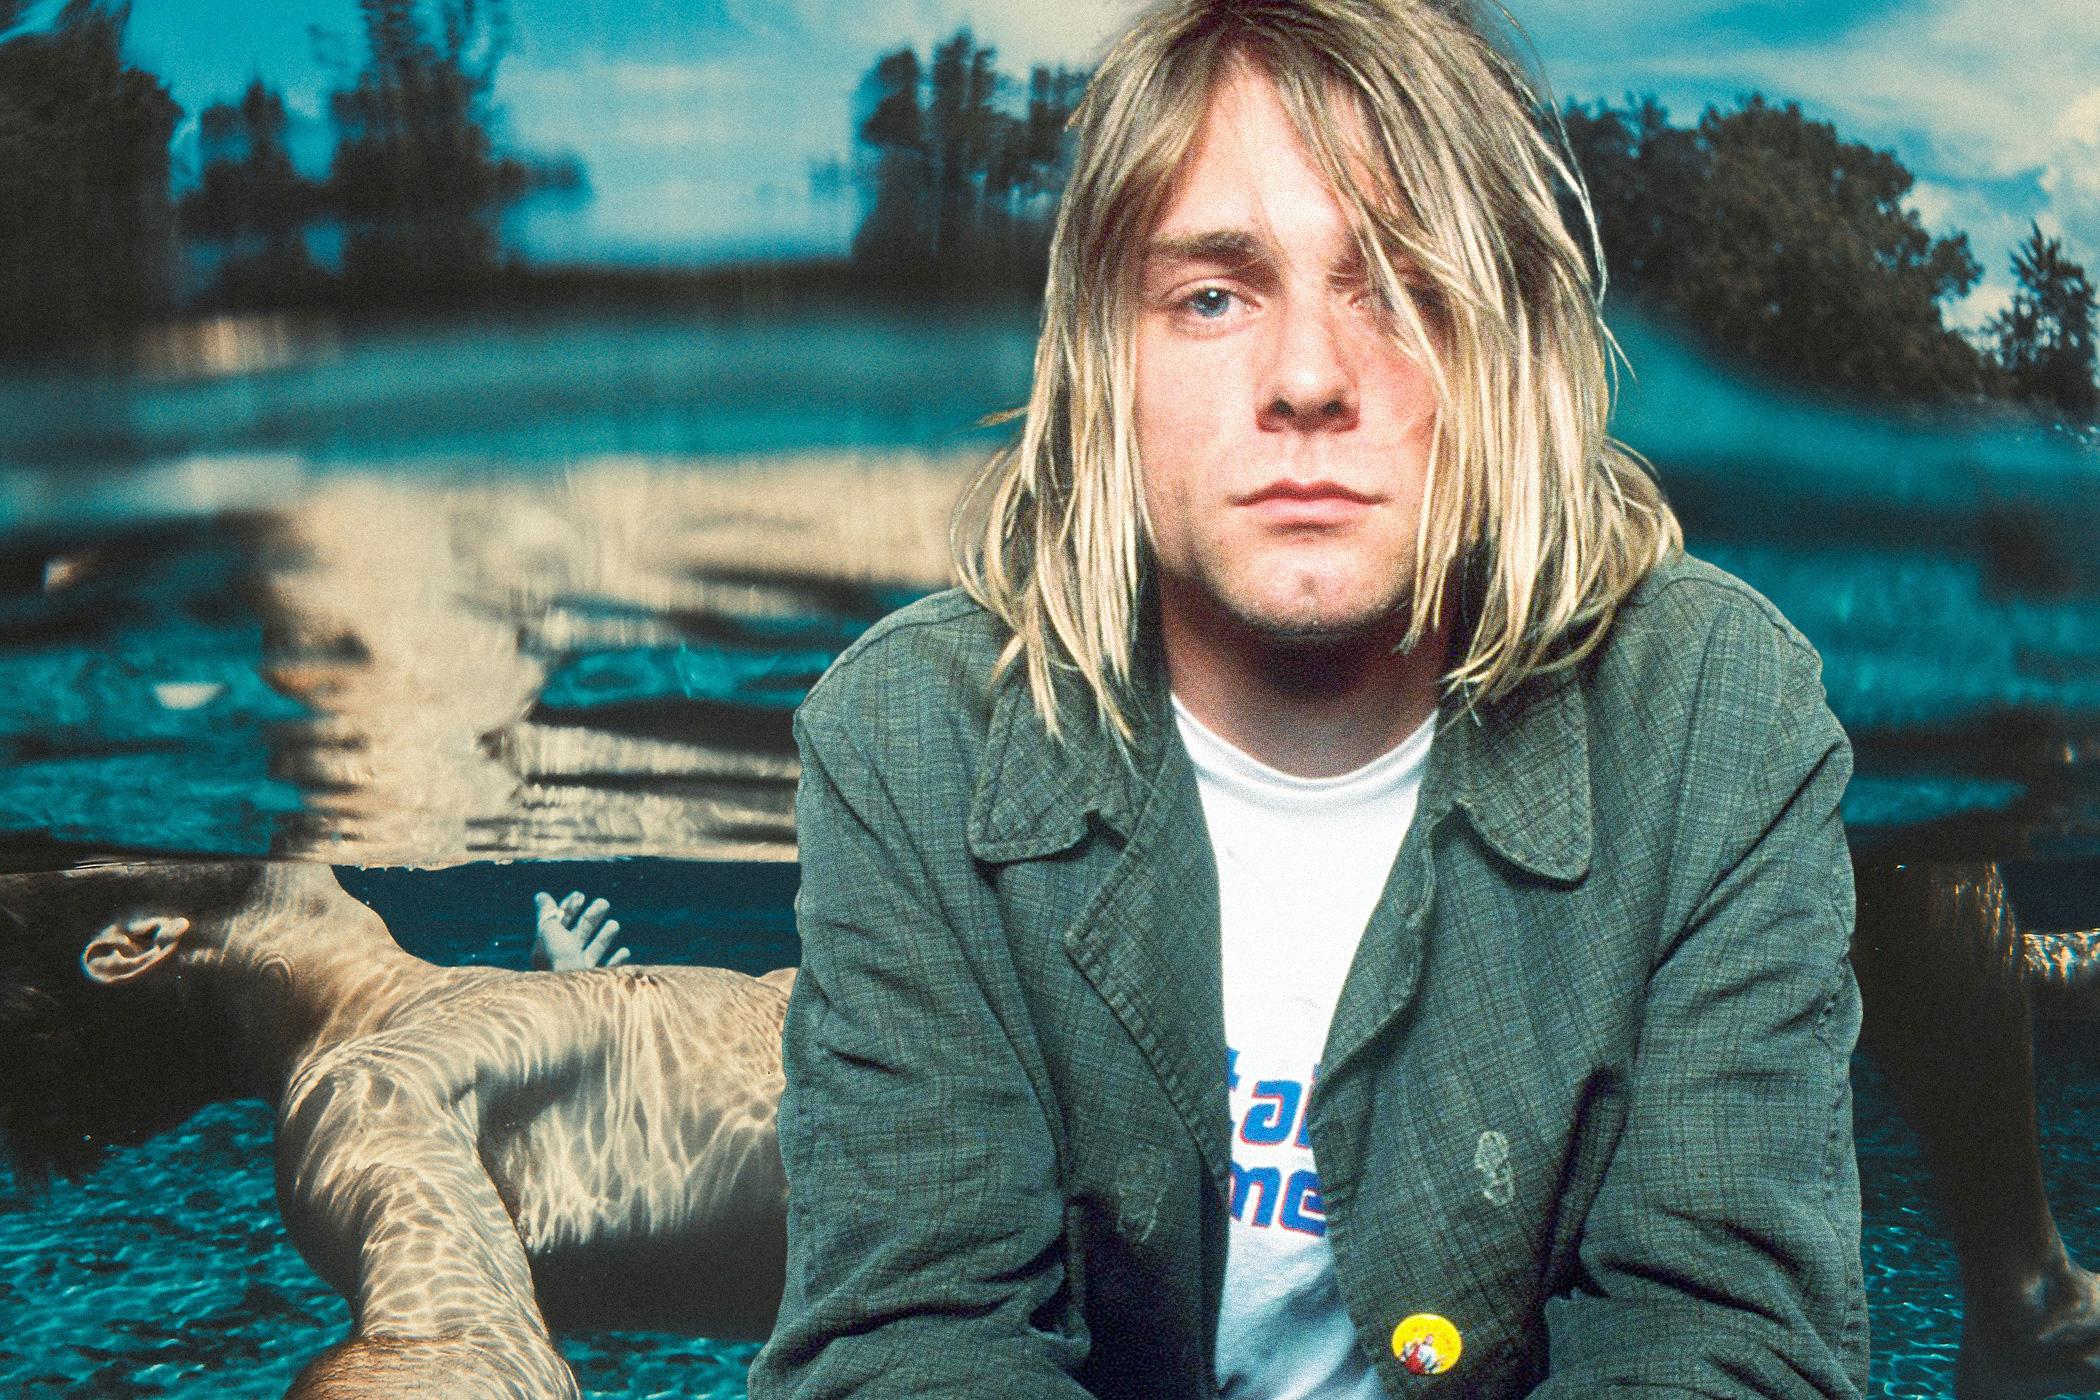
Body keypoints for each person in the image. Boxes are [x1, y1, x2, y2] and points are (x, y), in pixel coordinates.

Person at [748, 1, 1865, 1396]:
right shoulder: (905, 736)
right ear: (1102, 360)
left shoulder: (1720, 716)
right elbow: (911, 1345)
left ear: (1512, 347)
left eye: (1399, 285)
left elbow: (1723, 1342)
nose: (1308, 380)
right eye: (1212, 296)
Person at [0, 861, 791, 1399]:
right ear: (136, 942)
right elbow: (455, 1353)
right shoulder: (367, 1100)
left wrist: (571, 1006)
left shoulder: (422, 1040)